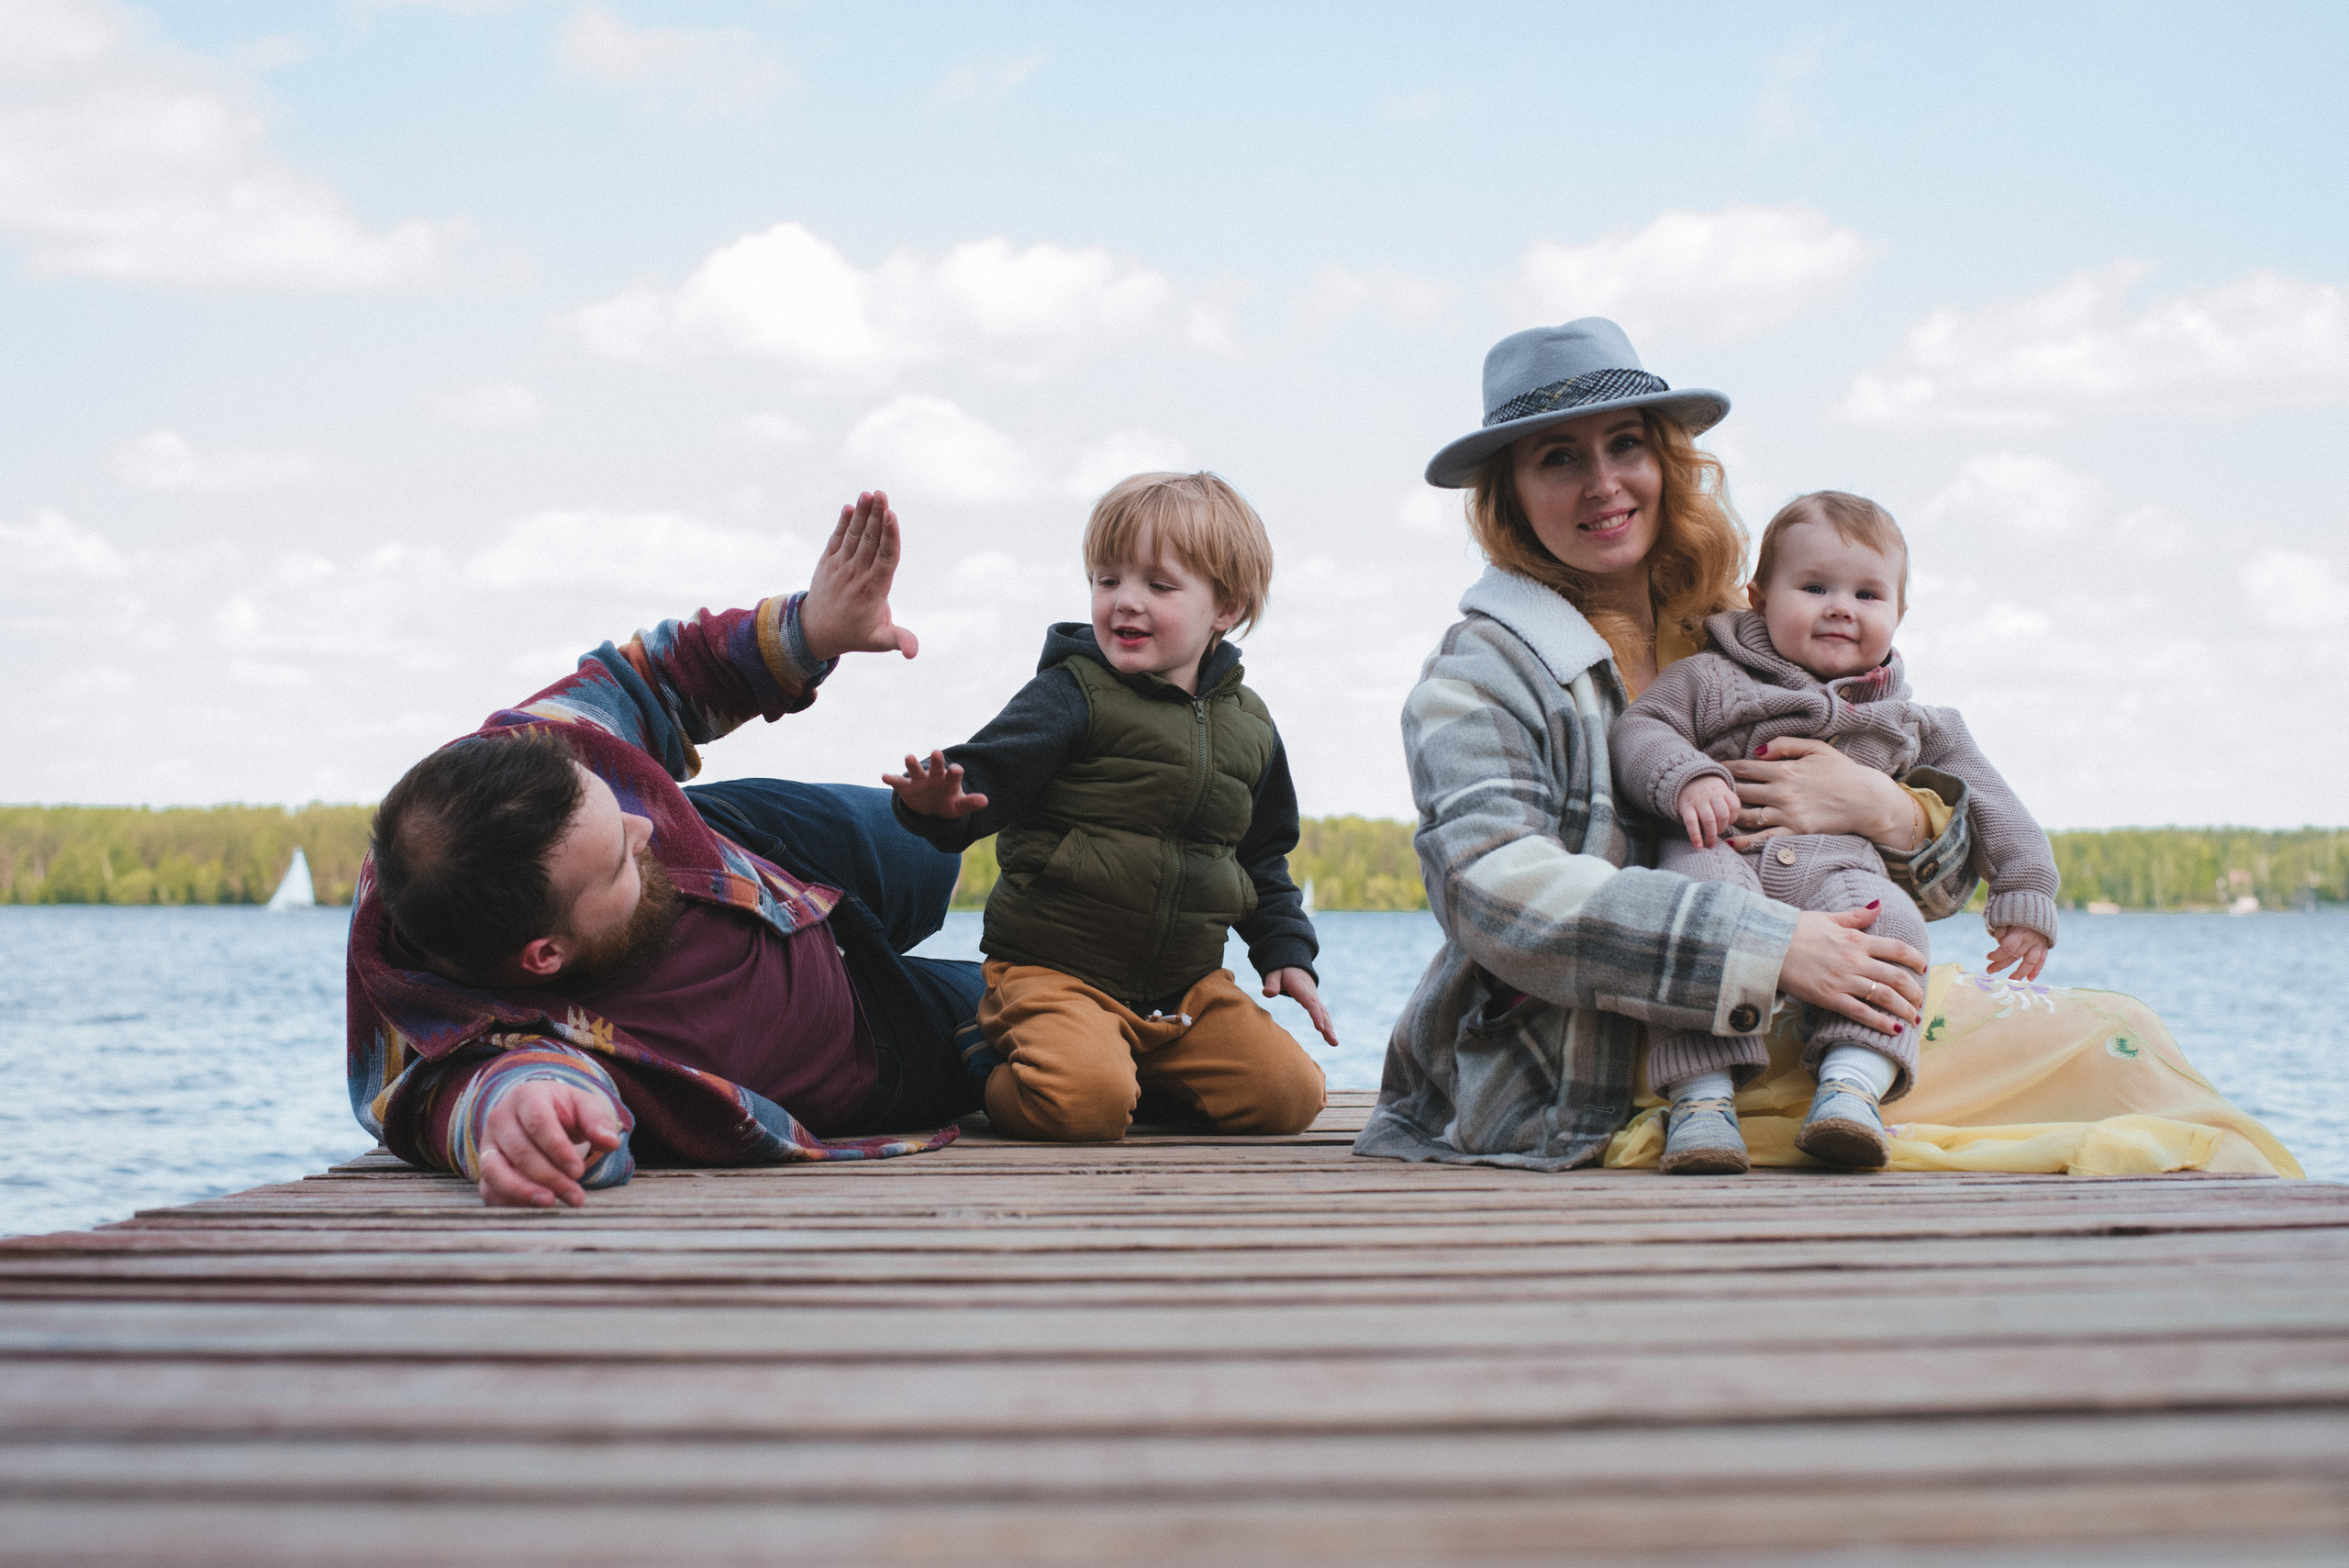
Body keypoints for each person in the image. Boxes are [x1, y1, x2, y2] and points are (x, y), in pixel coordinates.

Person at [1353, 317, 1960, 1173]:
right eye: (1558, 458)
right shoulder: (1480, 671)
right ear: (1510, 496)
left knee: (2102, 1040)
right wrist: (1766, 944)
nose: (1603, 483)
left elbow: (1945, 889)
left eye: (1626, 444)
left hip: (1799, 1028)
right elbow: (1491, 888)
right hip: (1578, 1068)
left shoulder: (1745, 636)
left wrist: (1887, 810)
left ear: (1667, 462)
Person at [346, 493, 992, 1208]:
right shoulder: (459, 1051)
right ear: (544, 957)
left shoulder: (504, 773)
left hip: (757, 857)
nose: (642, 830)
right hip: (853, 1040)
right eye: (616, 861)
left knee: (935, 850)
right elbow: (488, 1094)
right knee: (1024, 1009)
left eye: (612, 802)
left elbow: (650, 681)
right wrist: (534, 1118)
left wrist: (812, 628)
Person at [1611, 490, 2060, 1173]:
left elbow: (1997, 806)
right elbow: (1640, 728)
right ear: (1760, 598)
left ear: (1899, 613)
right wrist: (1686, 777)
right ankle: (1701, 1103)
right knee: (1698, 919)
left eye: (1868, 594)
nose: (1841, 607)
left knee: (1895, 927)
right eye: (1815, 587)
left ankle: (1850, 1090)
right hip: (1719, 851)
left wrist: (2025, 893)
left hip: (1837, 876)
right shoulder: (1711, 678)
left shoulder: (1915, 722)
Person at [884, 472, 1333, 1142]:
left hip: (1184, 991)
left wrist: (1286, 951)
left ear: (1226, 607)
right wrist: (938, 804)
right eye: (1107, 579)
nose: (1125, 601)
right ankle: (984, 1064)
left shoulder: (1252, 726)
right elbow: (985, 778)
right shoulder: (1071, 693)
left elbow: (1260, 857)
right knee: (1082, 1108)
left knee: (1289, 1097)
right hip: (1054, 975)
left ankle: (1131, 1072)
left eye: (1159, 585)